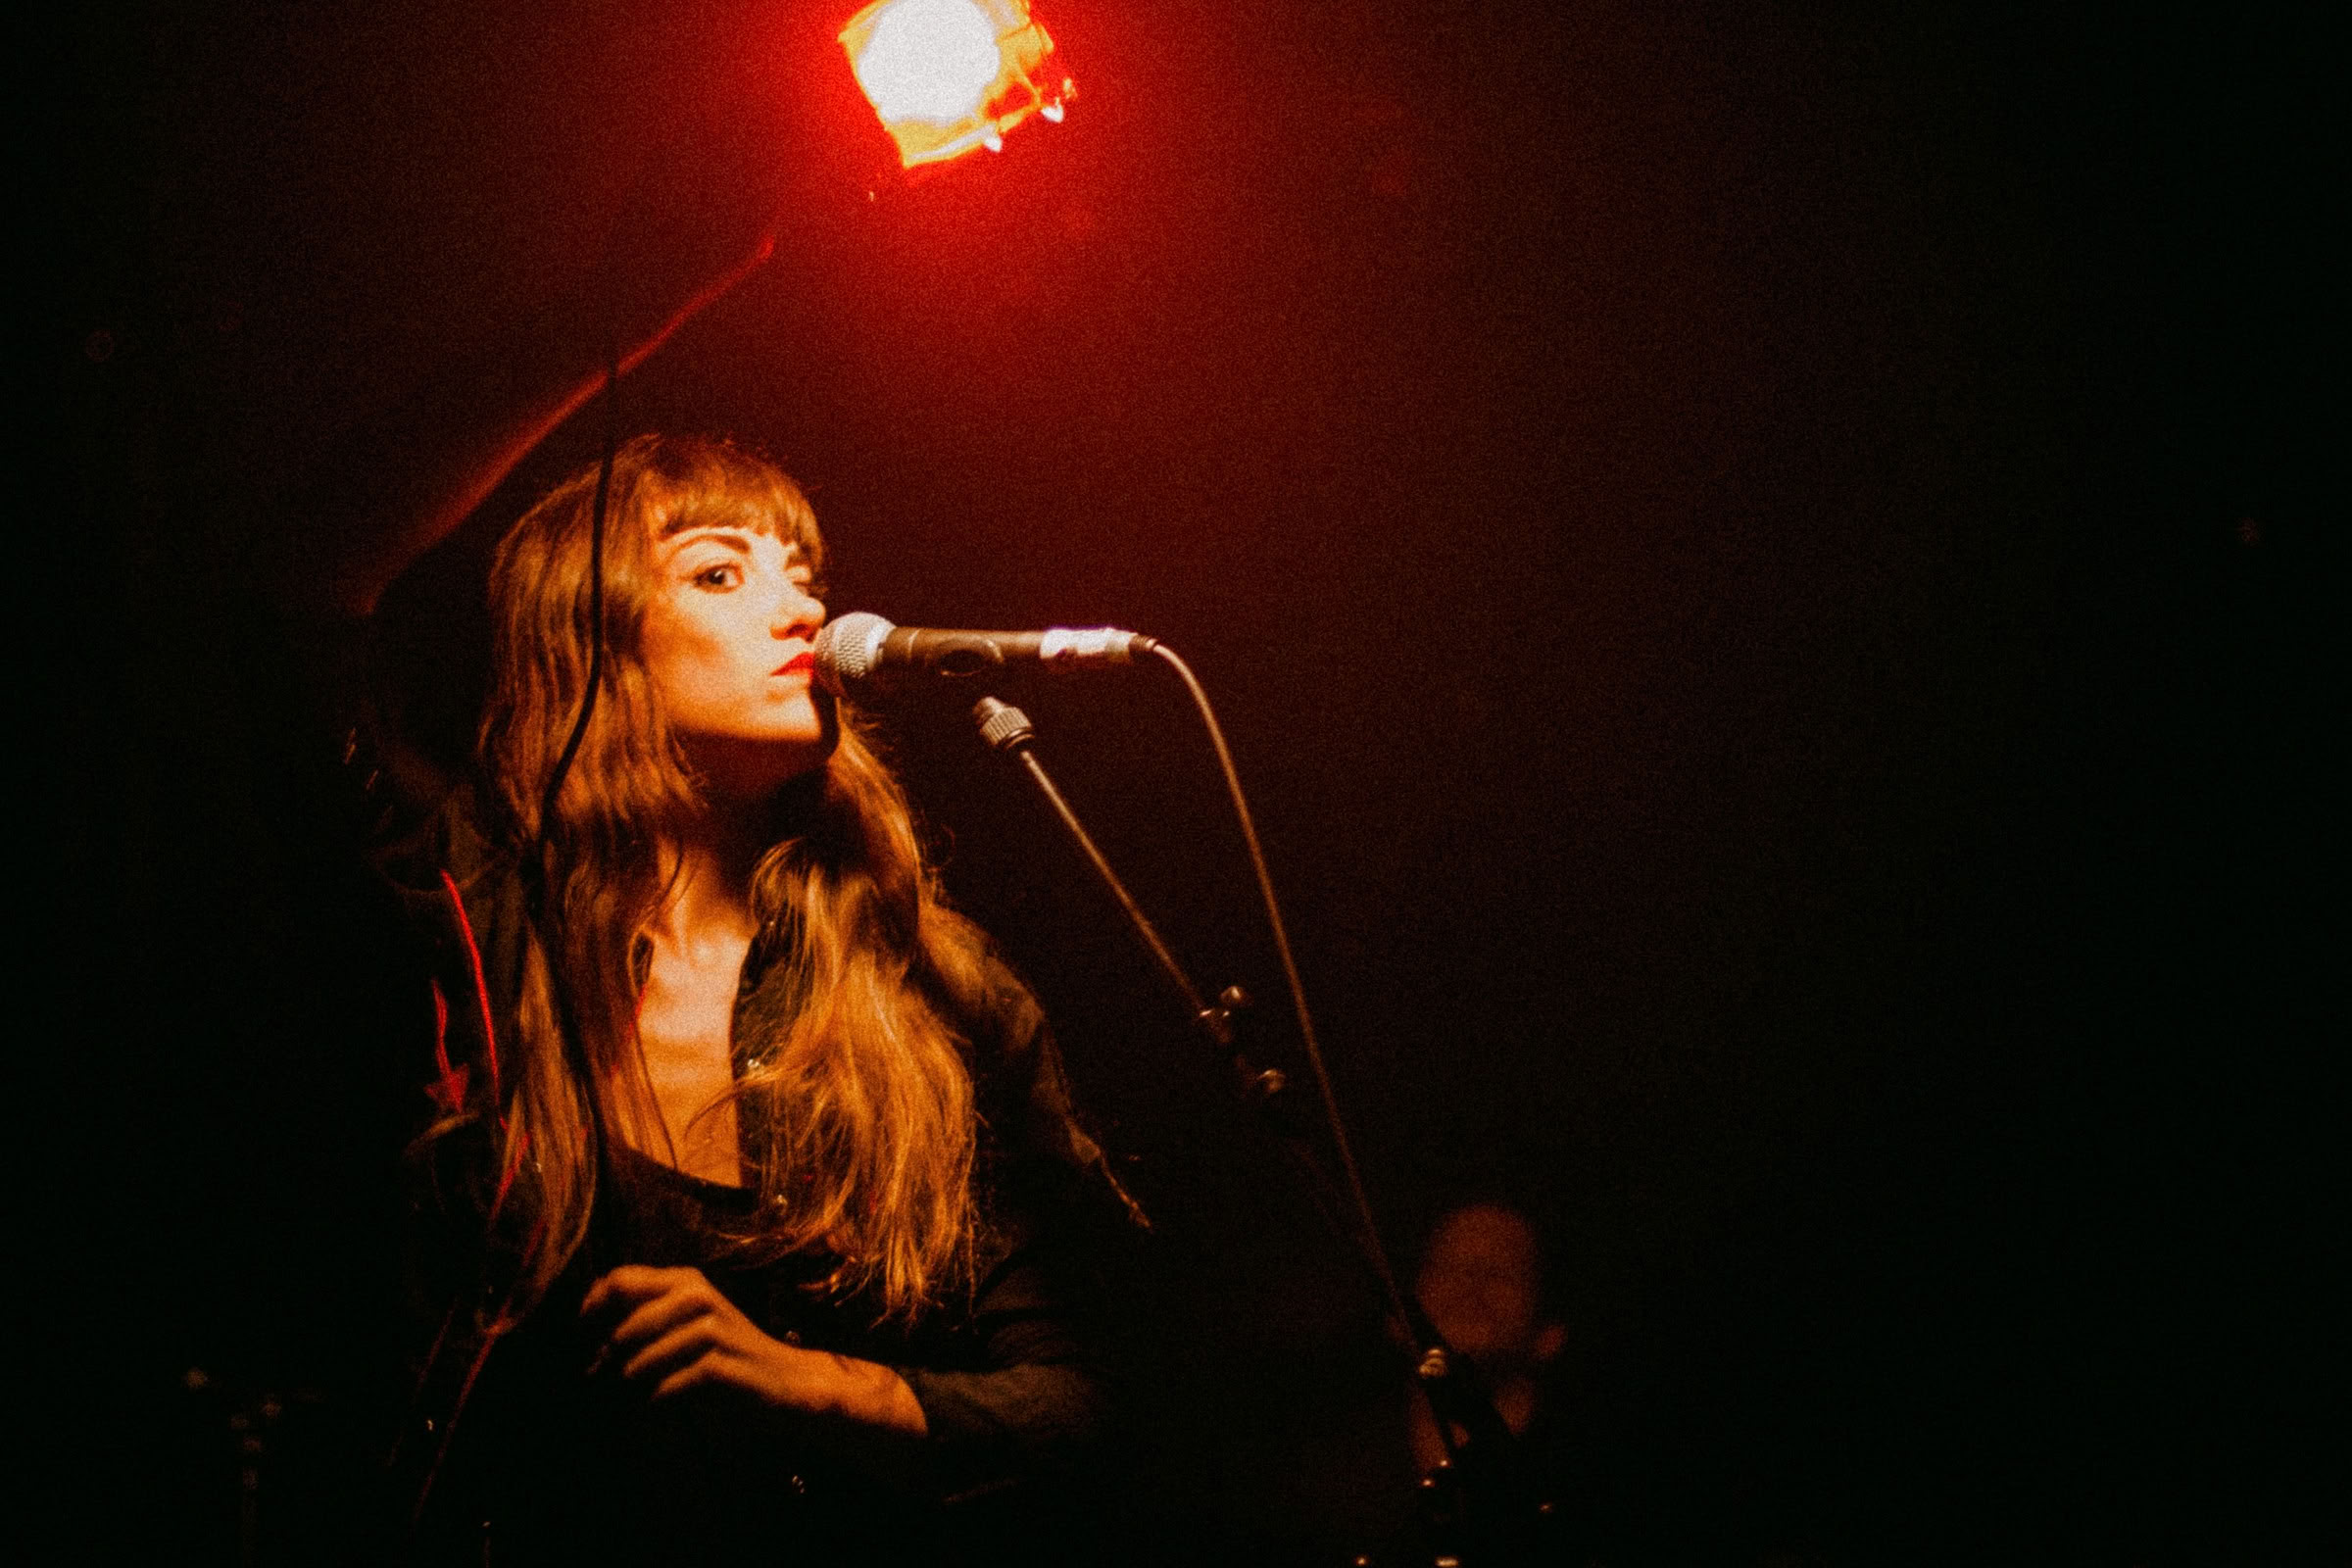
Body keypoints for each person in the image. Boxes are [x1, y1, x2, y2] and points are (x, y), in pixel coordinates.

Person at [293, 220, 1142, 1560]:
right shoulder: (476, 913)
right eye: (718, 572)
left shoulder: (935, 990)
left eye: (801, 571)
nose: (801, 609)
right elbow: (309, 582)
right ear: (595, 654)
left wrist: (828, 1385)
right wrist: (646, 282)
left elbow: (1092, 1399)